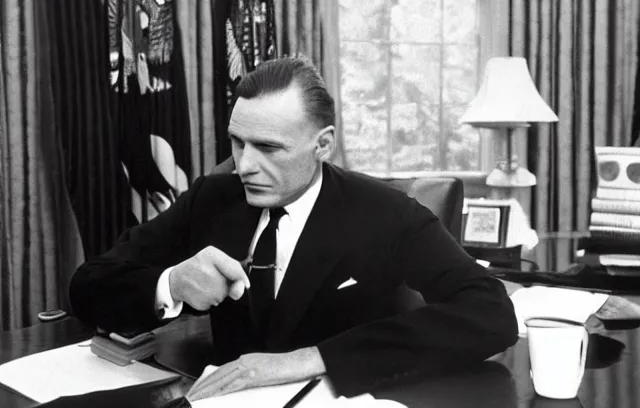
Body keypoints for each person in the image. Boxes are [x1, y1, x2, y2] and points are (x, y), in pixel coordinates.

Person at [69, 55, 518, 400]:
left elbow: (491, 314)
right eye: (237, 142)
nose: (244, 165)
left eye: (268, 148)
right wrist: (171, 283)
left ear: (322, 144)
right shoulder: (212, 197)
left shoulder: (386, 212)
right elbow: (87, 286)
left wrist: (311, 359)